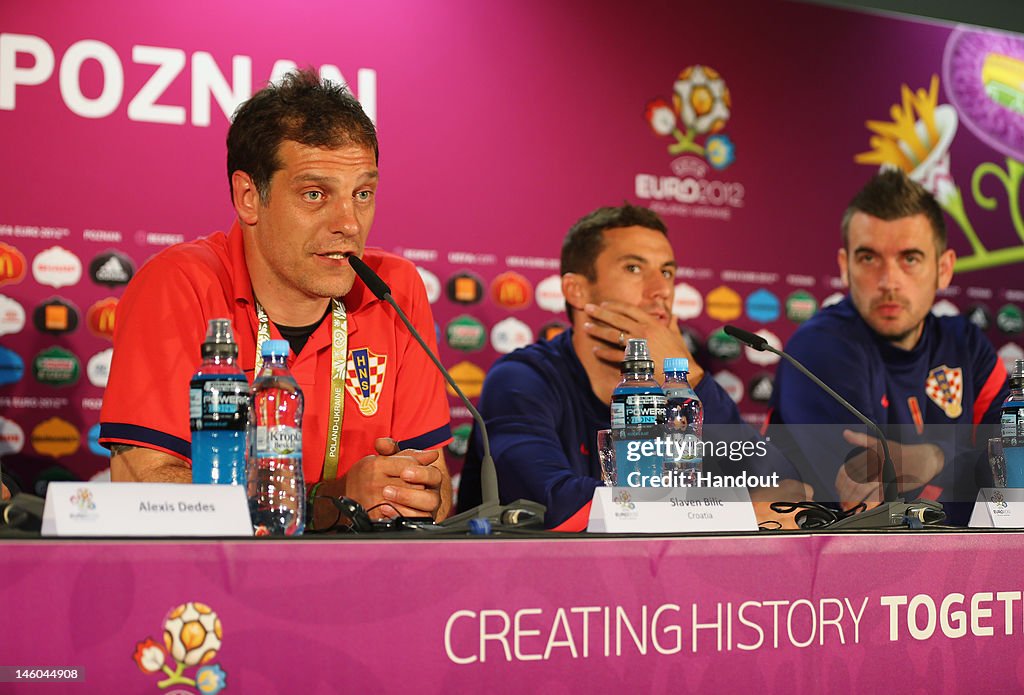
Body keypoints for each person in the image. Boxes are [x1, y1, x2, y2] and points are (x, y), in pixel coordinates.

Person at [99, 70, 452, 524]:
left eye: (362, 193)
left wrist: (411, 493)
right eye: (314, 194)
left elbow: (436, 497)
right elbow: (145, 490)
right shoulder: (179, 284)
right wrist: (333, 501)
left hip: (365, 582)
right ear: (248, 196)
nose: (349, 223)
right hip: (216, 584)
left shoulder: (393, 288)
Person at [458, 204, 805, 530]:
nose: (661, 291)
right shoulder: (522, 379)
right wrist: (728, 511)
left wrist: (692, 377)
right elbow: (555, 506)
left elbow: (788, 493)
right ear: (576, 290)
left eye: (667, 272)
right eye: (634, 268)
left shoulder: (681, 389)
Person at [769, 169, 1008, 524]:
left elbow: (1013, 468)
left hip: (962, 566)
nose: (888, 281)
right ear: (844, 267)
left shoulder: (967, 344)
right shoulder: (819, 347)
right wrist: (968, 462)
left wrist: (932, 458)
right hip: (841, 569)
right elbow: (875, 498)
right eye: (869, 258)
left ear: (944, 269)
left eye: (909, 258)